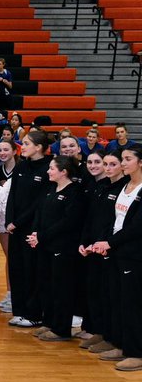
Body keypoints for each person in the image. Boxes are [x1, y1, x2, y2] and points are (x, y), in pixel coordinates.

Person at [86, 147, 142, 370]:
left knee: (132, 304)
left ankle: (136, 353)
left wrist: (110, 242)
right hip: (118, 251)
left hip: (134, 255)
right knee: (118, 300)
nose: (124, 163)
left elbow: (137, 227)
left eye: (128, 159)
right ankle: (121, 344)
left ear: (140, 162)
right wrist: (104, 241)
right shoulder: (125, 186)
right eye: (123, 159)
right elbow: (116, 220)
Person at [28, 156, 85, 341]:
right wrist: (35, 234)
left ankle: (61, 329)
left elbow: (68, 222)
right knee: (47, 286)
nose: (48, 171)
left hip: (63, 247)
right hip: (45, 246)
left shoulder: (74, 192)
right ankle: (49, 322)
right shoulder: (51, 189)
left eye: (52, 168)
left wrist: (42, 236)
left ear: (64, 172)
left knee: (61, 289)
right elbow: (40, 213)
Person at [4, 131, 52, 328]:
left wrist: (18, 222)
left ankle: (34, 314)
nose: (22, 147)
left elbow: (40, 202)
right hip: (15, 227)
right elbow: (12, 194)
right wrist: (9, 220)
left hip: (32, 227)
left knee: (31, 269)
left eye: (26, 143)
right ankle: (19, 311)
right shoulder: (21, 165)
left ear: (38, 147)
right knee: (16, 268)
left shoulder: (48, 167)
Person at [77, 150, 118, 353]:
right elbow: (90, 218)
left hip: (108, 248)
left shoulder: (121, 188)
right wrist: (85, 242)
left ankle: (109, 335)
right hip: (92, 247)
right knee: (93, 290)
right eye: (90, 162)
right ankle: (98, 331)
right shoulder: (100, 186)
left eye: (111, 164)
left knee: (107, 293)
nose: (106, 168)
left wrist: (104, 242)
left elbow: (112, 222)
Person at [0, 139, 17, 311]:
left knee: (17, 257)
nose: (2, 153)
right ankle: (10, 293)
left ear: (14, 151)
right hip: (2, 220)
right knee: (10, 256)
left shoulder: (22, 169)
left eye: (6, 149)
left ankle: (19, 293)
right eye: (0, 150)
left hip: (19, 220)